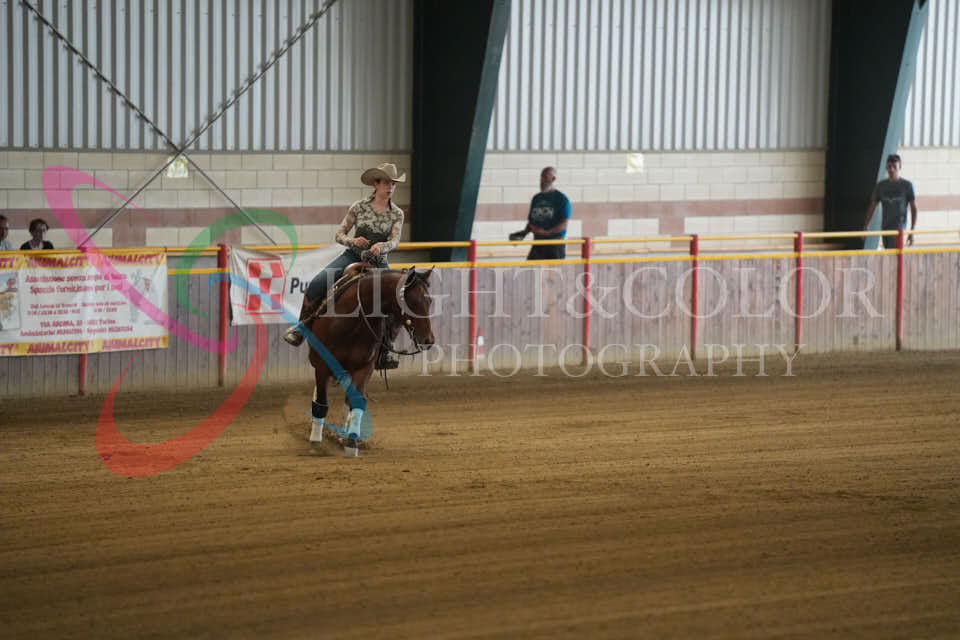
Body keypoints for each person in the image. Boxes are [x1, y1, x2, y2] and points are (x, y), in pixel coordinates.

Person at [283, 162, 406, 369]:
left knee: (396, 300)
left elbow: (395, 241)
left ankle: (385, 349)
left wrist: (382, 246)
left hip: (379, 261)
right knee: (317, 283)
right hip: (352, 256)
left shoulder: (397, 214)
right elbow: (339, 234)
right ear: (376, 184)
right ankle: (301, 328)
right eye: (386, 182)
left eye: (393, 184)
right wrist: (353, 241)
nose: (390, 187)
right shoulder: (358, 207)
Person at [509, 166, 572, 260]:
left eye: (545, 177)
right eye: (541, 177)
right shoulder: (536, 198)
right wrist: (522, 234)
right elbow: (531, 223)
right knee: (531, 268)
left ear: (553, 179)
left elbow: (563, 225)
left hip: (554, 244)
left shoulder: (561, 199)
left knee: (554, 269)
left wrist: (546, 232)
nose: (542, 180)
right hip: (538, 243)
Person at [864, 154, 918, 249]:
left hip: (899, 228)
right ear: (886, 168)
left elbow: (914, 208)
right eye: (889, 167)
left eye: (894, 167)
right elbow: (872, 206)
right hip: (885, 227)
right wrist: (866, 226)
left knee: (896, 253)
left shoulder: (907, 186)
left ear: (899, 167)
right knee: (888, 252)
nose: (892, 170)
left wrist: (912, 231)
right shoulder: (881, 186)